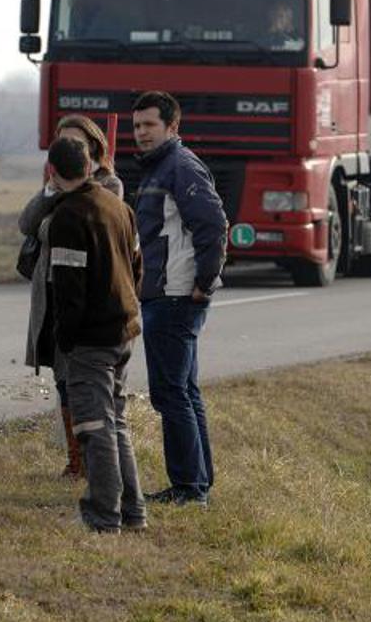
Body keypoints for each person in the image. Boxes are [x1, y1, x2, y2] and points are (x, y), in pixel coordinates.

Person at [131, 90, 227, 506]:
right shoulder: (158, 169)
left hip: (174, 296)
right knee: (184, 390)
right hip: (162, 294)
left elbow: (214, 225)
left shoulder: (180, 167)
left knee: (170, 393)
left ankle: (188, 488)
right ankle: (199, 482)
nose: (141, 133)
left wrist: (205, 283)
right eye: (137, 126)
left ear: (172, 127)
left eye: (149, 125)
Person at [45, 136, 145, 533]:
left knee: (93, 426)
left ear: (52, 172)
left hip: (91, 339)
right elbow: (137, 265)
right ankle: (133, 511)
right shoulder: (118, 206)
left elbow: (69, 287)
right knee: (115, 421)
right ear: (89, 166)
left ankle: (104, 515)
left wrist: (65, 339)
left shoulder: (68, 217)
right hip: (124, 330)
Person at [20, 115, 124, 478]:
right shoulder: (52, 186)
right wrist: (51, 192)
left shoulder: (107, 184)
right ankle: (76, 456)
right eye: (63, 142)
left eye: (76, 141)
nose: (69, 147)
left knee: (84, 383)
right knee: (62, 378)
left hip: (87, 300)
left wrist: (66, 195)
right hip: (51, 293)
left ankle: (85, 462)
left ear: (93, 147)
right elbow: (27, 223)